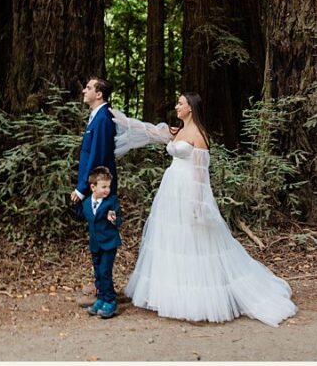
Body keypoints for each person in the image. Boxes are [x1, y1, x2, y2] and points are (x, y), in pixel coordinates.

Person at [111, 92, 298, 326]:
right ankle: (172, 294)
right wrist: (121, 119)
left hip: (188, 190)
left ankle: (199, 297)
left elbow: (201, 174)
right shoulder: (177, 131)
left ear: (190, 107)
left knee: (194, 240)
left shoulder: (199, 135)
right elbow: (149, 131)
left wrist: (198, 204)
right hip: (171, 190)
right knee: (172, 239)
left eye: (180, 103)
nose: (176, 106)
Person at [68, 166, 123, 319]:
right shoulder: (86, 203)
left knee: (105, 272)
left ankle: (110, 300)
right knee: (98, 272)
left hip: (109, 243)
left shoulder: (111, 201)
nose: (107, 190)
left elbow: (119, 220)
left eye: (108, 186)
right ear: (93, 187)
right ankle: (101, 298)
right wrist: (74, 201)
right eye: (103, 187)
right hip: (95, 244)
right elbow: (81, 214)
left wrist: (114, 219)